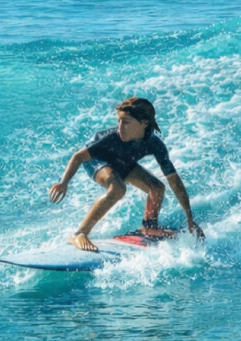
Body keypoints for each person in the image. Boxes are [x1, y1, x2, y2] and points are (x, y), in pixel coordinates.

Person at [49, 96, 205, 251]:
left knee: (157, 188)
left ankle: (149, 227)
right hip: (97, 162)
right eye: (119, 121)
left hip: (124, 162)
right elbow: (78, 157)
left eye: (126, 122)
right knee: (118, 189)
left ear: (144, 123)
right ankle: (80, 233)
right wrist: (64, 183)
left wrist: (189, 218)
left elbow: (174, 180)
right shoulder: (110, 138)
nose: (120, 127)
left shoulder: (154, 144)